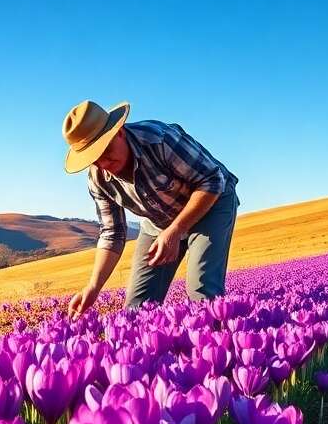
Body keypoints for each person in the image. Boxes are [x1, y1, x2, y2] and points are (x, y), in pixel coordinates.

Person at [61, 99, 240, 316]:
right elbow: (112, 233)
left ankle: (217, 342)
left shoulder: (159, 139)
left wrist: (175, 231)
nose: (105, 164)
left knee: (202, 291)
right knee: (136, 310)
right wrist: (93, 286)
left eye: (105, 151)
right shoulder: (98, 179)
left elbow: (212, 180)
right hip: (158, 224)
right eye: (95, 159)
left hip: (210, 202)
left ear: (118, 132)